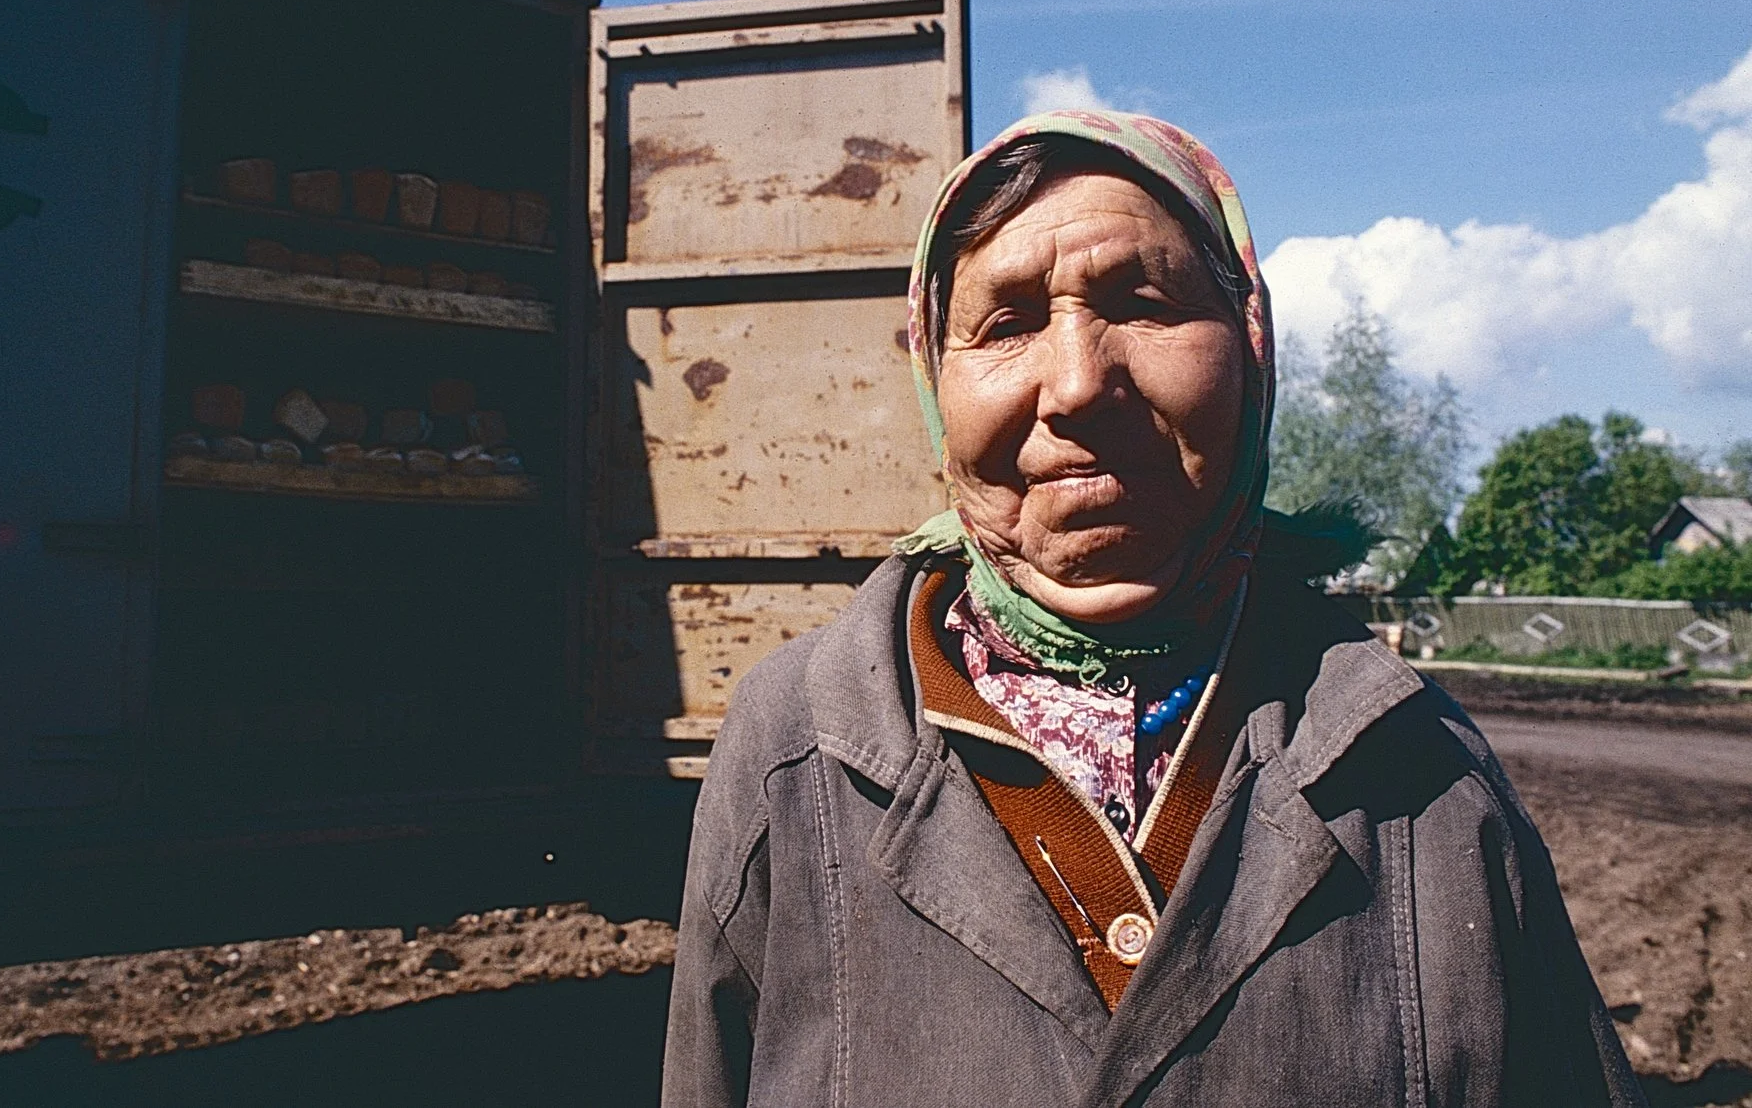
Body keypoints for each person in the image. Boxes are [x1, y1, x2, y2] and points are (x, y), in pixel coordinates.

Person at [661, 111, 1642, 1106]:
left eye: (1142, 303)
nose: (1080, 384)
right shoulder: (795, 744)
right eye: (1004, 323)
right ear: (931, 377)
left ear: (1249, 350)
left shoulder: (1420, 769)